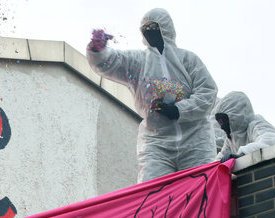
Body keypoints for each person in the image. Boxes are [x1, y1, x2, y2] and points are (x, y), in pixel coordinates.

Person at [87, 8, 218, 183]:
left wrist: (178, 110)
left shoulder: (188, 60)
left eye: (154, 27)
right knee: (154, 194)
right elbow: (111, 62)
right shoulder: (139, 62)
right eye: (145, 29)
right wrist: (97, 51)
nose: (150, 32)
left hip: (195, 140)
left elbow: (207, 92)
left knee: (200, 189)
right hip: (157, 143)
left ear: (165, 28)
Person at [214, 91, 275, 161]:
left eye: (222, 121)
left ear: (234, 115)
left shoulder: (256, 125)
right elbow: (221, 157)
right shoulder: (231, 139)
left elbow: (270, 141)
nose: (221, 127)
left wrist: (243, 153)